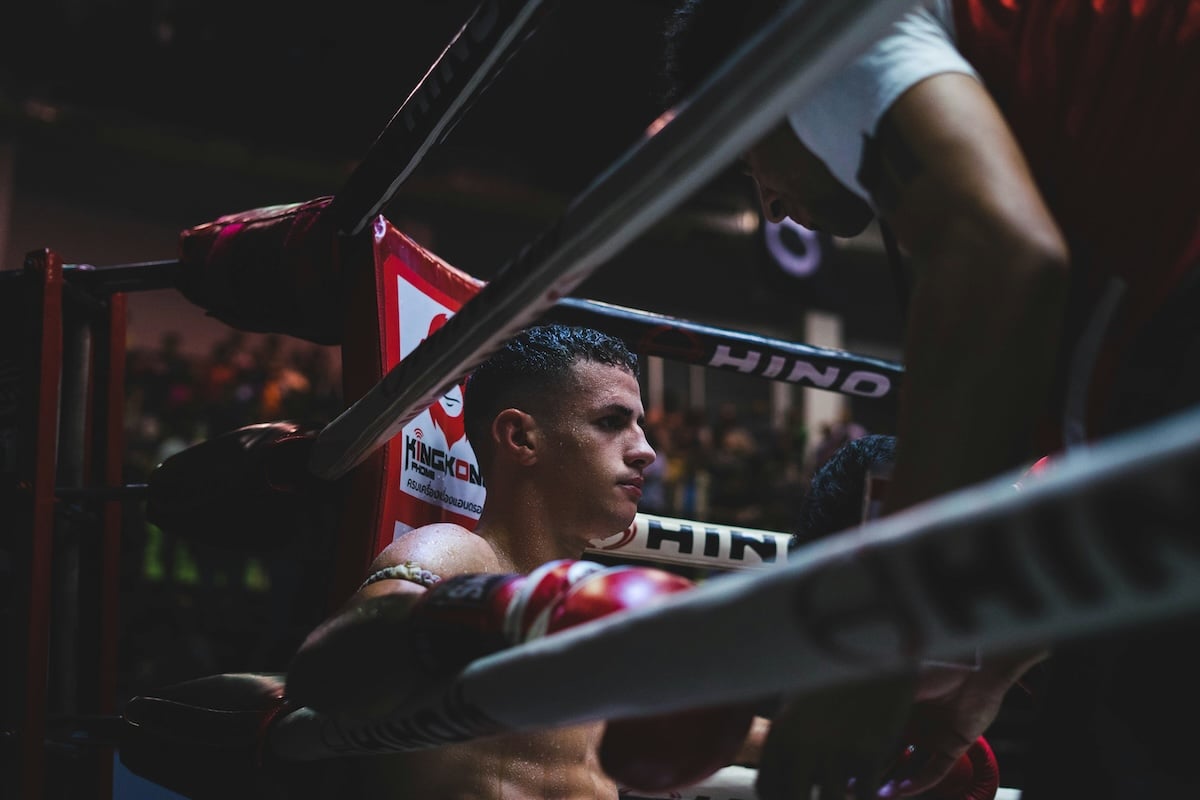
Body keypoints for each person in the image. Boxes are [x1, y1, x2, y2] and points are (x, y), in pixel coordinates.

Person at [658, 1, 1200, 798]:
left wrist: (877, 641)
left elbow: (1001, 259)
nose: (769, 203)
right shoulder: (1090, 161)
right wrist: (1005, 654)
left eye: (748, 160)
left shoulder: (811, 37)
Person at [283, 323, 762, 798]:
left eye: (640, 426)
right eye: (612, 423)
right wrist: (512, 613)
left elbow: (723, 726)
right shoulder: (461, 553)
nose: (646, 451)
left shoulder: (591, 606)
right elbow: (322, 673)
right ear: (520, 438)